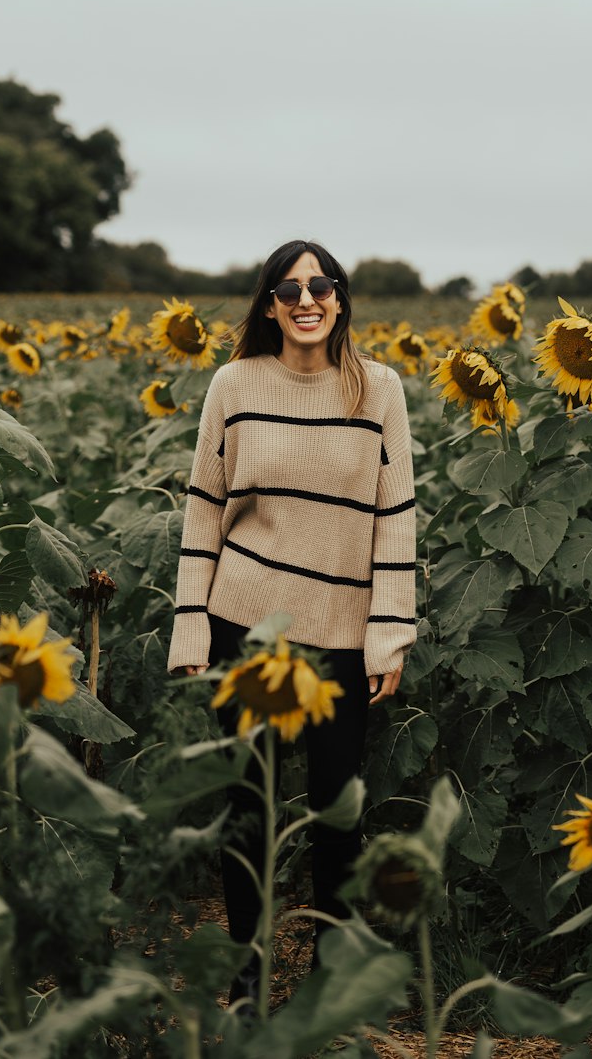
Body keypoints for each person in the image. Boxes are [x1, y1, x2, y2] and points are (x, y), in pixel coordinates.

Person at [166, 238, 417, 999]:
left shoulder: (379, 390)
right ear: (268, 304)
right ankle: (246, 976)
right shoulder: (233, 384)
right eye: (288, 289)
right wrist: (191, 627)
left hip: (343, 632)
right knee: (250, 806)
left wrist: (389, 633)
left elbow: (396, 517)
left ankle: (330, 977)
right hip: (247, 624)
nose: (306, 301)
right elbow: (204, 510)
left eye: (321, 286)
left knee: (338, 814)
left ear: (340, 298)